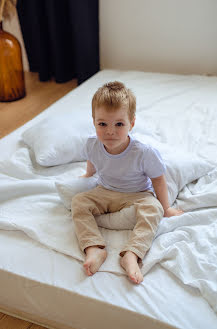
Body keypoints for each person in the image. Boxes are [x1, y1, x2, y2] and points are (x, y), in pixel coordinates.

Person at [71, 81, 183, 284]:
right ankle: (94, 248)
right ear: (94, 122)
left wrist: (166, 208)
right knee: (78, 202)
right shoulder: (92, 144)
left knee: (153, 209)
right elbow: (92, 159)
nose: (110, 131)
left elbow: (158, 179)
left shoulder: (143, 152)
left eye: (119, 124)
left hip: (137, 195)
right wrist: (88, 174)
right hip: (105, 191)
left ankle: (132, 253)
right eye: (102, 124)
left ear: (131, 123)